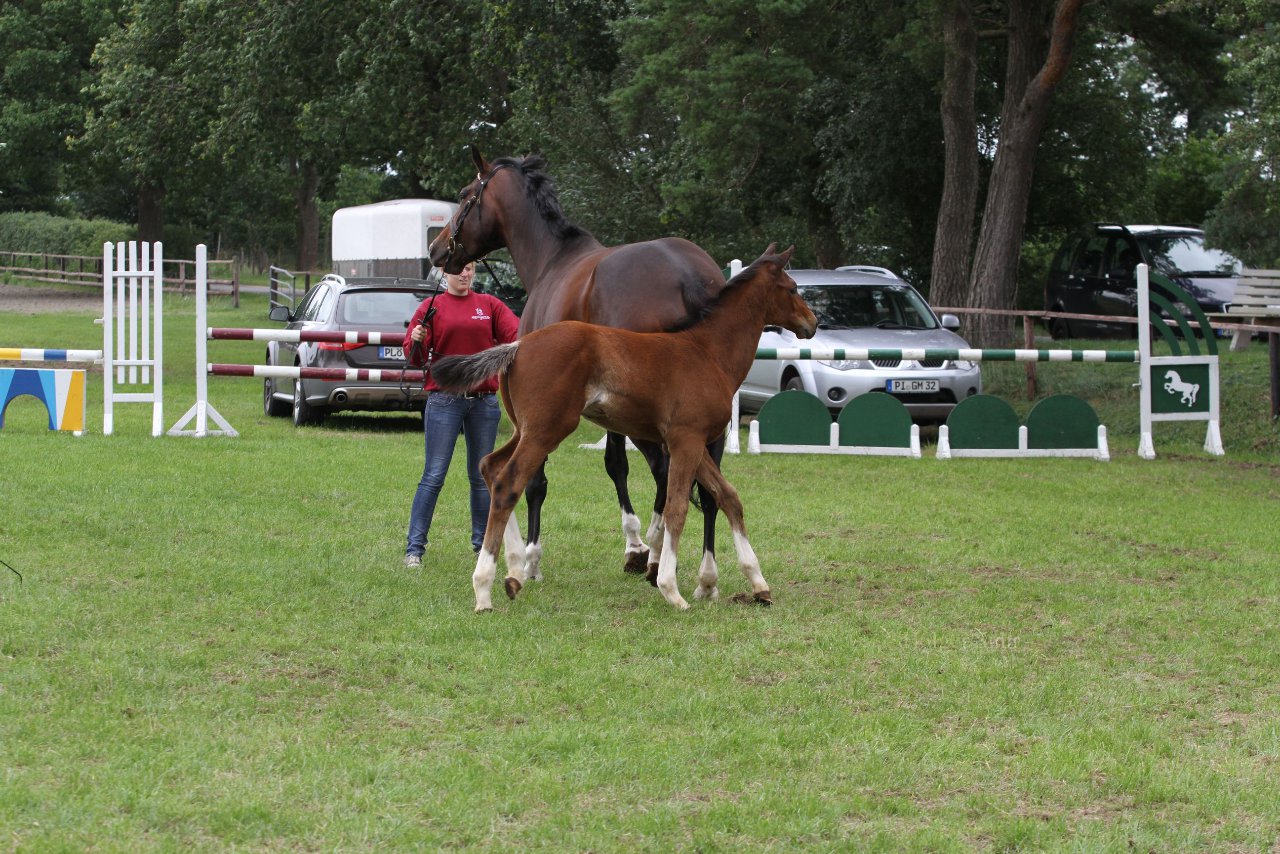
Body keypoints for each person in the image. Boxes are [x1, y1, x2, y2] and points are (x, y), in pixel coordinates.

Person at [403, 261, 520, 567]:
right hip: (444, 400)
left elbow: (519, 336)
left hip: (484, 402)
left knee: (481, 476)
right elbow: (414, 358)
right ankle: (414, 549)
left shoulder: (489, 305)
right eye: (459, 270)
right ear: (445, 274)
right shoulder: (432, 307)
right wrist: (415, 340)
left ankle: (481, 545)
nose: (465, 274)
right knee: (434, 475)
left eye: (469, 269)